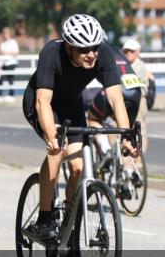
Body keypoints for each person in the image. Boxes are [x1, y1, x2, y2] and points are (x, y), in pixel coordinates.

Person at [22, 14, 140, 243]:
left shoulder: (103, 54)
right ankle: (45, 217)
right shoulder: (51, 53)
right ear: (68, 48)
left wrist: (125, 135)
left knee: (78, 167)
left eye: (94, 48)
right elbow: (42, 102)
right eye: (84, 49)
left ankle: (68, 216)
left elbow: (116, 100)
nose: (91, 54)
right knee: (57, 152)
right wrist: (52, 136)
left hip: (72, 104)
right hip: (42, 103)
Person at [120, 38, 154, 152]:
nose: (128, 53)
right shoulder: (123, 65)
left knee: (139, 127)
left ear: (138, 52)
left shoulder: (139, 67)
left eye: (131, 51)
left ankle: (140, 157)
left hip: (139, 100)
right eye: (126, 51)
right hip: (125, 100)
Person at [0, 27, 20, 98]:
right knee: (0, 78)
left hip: (11, 63)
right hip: (3, 63)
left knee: (10, 79)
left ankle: (11, 95)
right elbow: (1, 53)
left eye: (6, 33)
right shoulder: (2, 43)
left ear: (9, 34)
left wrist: (6, 53)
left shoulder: (13, 42)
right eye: (4, 33)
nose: (5, 35)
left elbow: (16, 52)